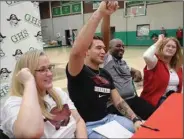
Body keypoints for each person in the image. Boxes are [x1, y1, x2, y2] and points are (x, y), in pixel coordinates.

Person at [66, 1, 143, 138]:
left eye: (104, 48)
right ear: (86, 51)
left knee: (143, 129)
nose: (103, 51)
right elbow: (76, 53)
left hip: (109, 119)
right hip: (88, 126)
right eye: (98, 48)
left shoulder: (105, 74)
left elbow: (118, 101)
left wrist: (135, 119)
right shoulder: (77, 71)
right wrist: (100, 13)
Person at [0, 50, 87, 138]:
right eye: (42, 70)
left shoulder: (58, 92)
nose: (50, 74)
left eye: (49, 68)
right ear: (28, 74)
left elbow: (78, 121)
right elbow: (30, 134)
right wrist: (29, 83)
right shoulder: (14, 104)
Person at [101, 15, 156, 120]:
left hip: (133, 99)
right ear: (109, 48)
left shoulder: (124, 63)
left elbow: (130, 69)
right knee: (134, 125)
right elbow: (105, 36)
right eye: (118, 46)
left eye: (123, 46)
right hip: (117, 104)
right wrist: (106, 14)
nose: (121, 48)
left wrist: (136, 71)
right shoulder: (107, 60)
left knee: (155, 114)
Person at [141, 34, 183, 107]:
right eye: (168, 46)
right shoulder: (154, 62)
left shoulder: (178, 67)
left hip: (173, 99)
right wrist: (159, 41)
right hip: (154, 101)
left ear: (176, 51)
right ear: (162, 47)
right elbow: (146, 56)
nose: (170, 48)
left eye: (173, 47)